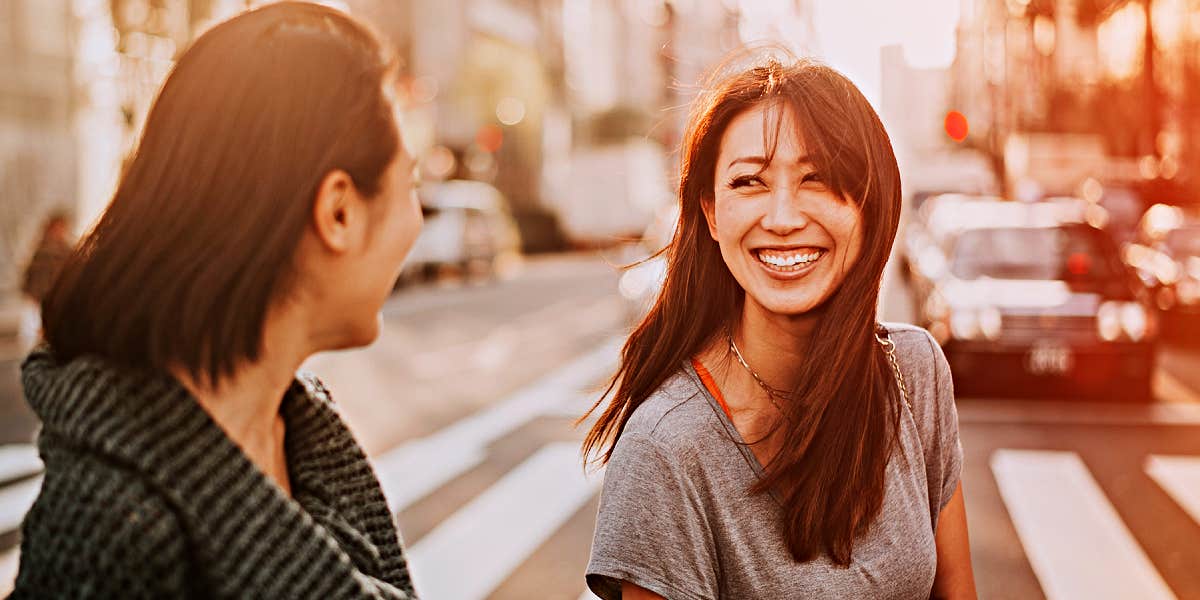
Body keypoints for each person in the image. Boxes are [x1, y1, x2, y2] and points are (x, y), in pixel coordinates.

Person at [14, 3, 422, 598]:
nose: (417, 220)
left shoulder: (302, 425)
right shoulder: (107, 529)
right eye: (409, 185)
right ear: (338, 211)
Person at [582, 51, 977, 600]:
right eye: (749, 182)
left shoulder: (913, 371)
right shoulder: (667, 450)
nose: (784, 218)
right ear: (712, 215)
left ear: (871, 204)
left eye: (817, 179)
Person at [17, 212, 72, 348]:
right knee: (34, 334)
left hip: (55, 297)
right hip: (40, 297)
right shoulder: (42, 248)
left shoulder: (66, 249)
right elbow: (32, 274)